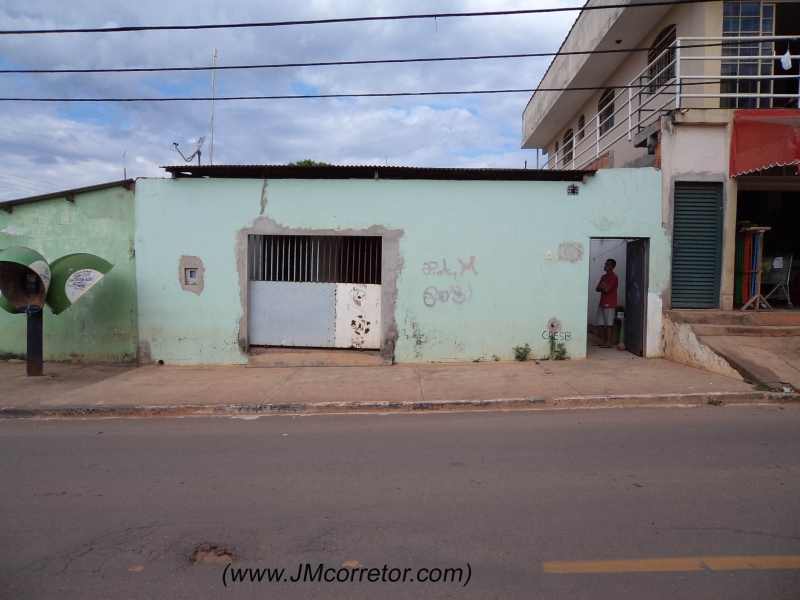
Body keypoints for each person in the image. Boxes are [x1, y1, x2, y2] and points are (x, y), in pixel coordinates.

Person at [594, 259, 618, 348]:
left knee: (609, 323)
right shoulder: (603, 277)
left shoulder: (614, 277)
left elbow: (607, 290)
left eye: (608, 264)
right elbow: (597, 288)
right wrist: (601, 288)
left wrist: (601, 288)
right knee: (600, 321)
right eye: (605, 264)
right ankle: (602, 340)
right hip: (602, 302)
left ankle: (608, 342)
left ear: (612, 266)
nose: (605, 266)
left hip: (610, 302)